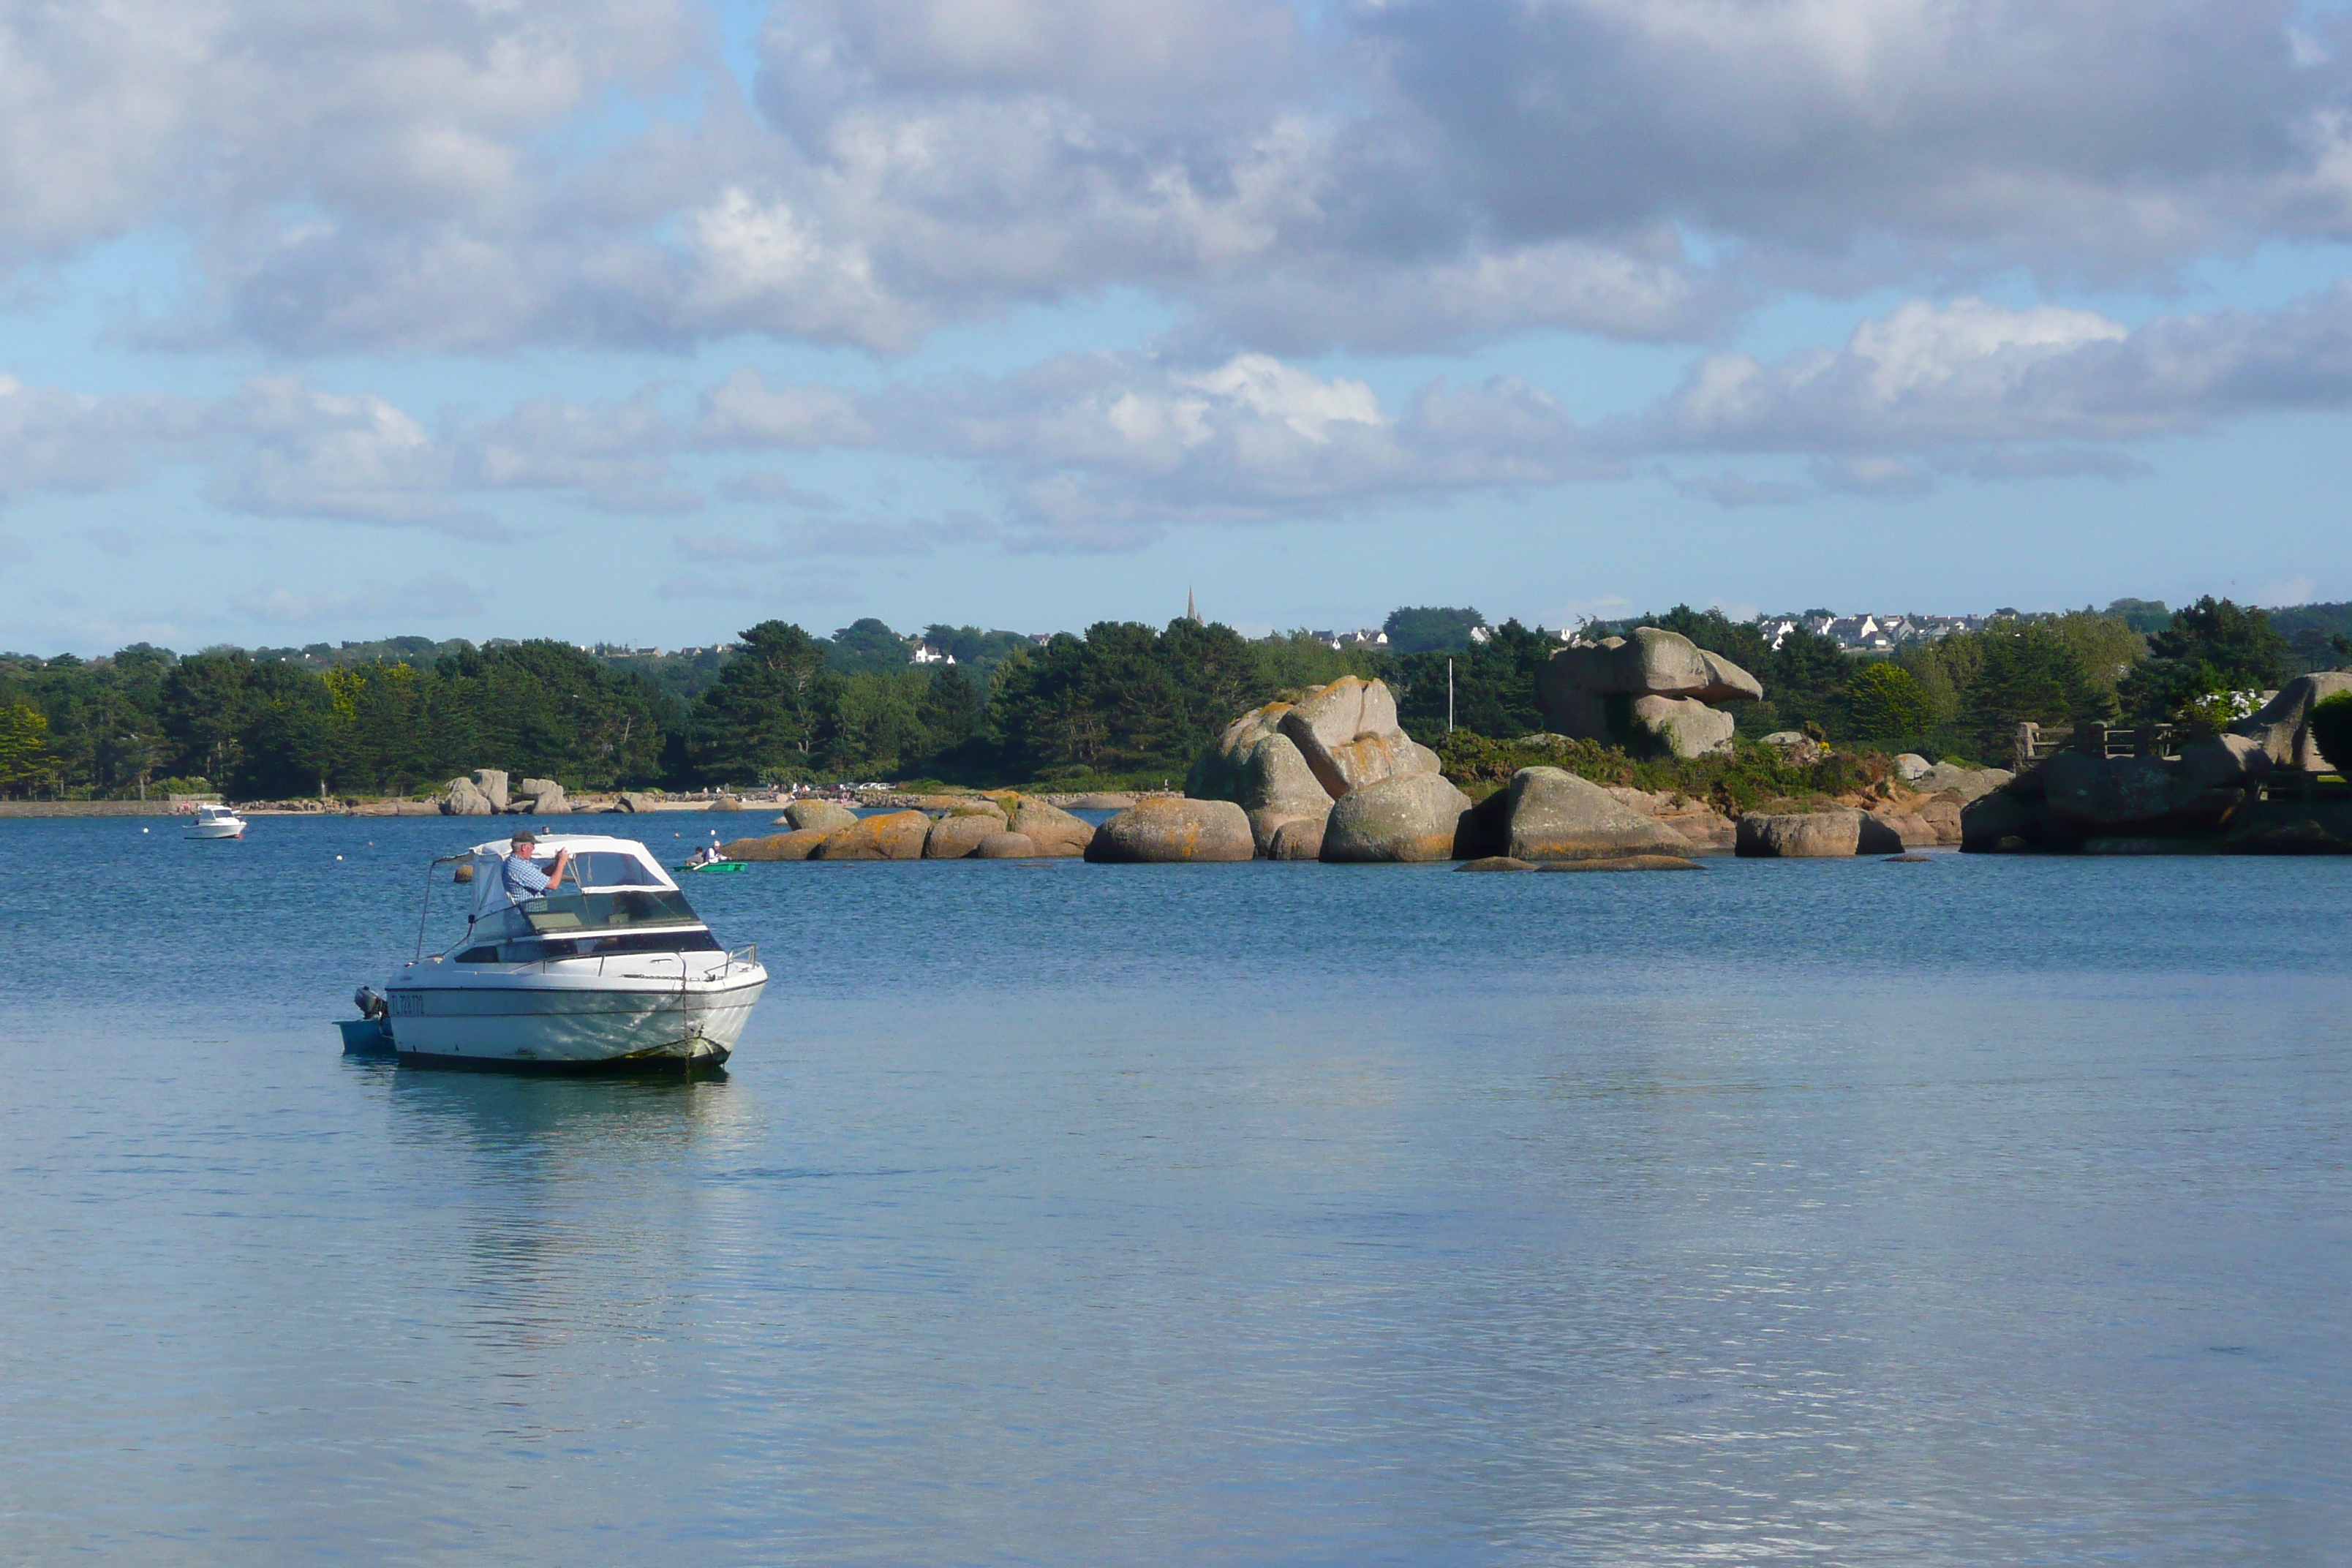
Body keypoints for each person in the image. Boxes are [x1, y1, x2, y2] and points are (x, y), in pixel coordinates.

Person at [500, 829, 569, 904]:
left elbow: (541, 873)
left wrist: (556, 863)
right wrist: (562, 862)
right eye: (532, 846)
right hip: (529, 912)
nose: (533, 849)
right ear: (524, 847)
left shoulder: (515, 861)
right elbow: (553, 885)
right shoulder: (519, 867)